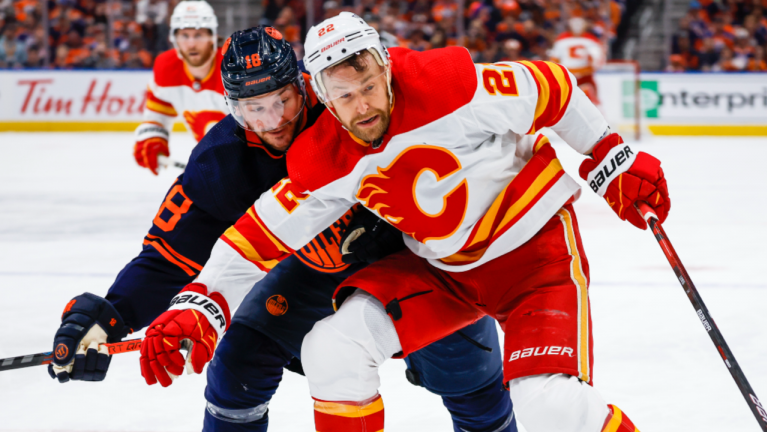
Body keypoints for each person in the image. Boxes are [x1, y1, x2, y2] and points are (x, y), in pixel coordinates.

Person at [149, 12, 671, 432]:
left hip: (533, 259)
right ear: (322, 98)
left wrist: (608, 153)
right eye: (345, 97)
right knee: (331, 348)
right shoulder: (327, 153)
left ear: (385, 68)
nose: (364, 106)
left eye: (370, 85)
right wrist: (204, 300)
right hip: (444, 273)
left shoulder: (448, 84)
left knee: (548, 407)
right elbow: (260, 234)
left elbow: (549, 89)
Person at [49, 26, 515, 432]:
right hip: (313, 270)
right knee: (237, 367)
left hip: (418, 264)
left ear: (305, 85)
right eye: (255, 109)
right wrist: (110, 315)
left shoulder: (355, 107)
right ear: (231, 107)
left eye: (283, 100)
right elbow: (169, 256)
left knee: (472, 379)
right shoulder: (221, 162)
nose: (275, 122)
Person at [133, 0, 228, 175]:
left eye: (198, 35)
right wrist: (153, 137)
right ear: (174, 38)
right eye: (185, 35)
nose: (191, 44)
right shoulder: (166, 67)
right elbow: (157, 115)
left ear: (213, 37)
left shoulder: (233, 69)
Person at [549, 17, 605, 105]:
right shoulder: (591, 39)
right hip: (573, 74)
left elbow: (554, 59)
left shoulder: (562, 39)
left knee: (587, 99)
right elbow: (599, 58)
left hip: (579, 74)